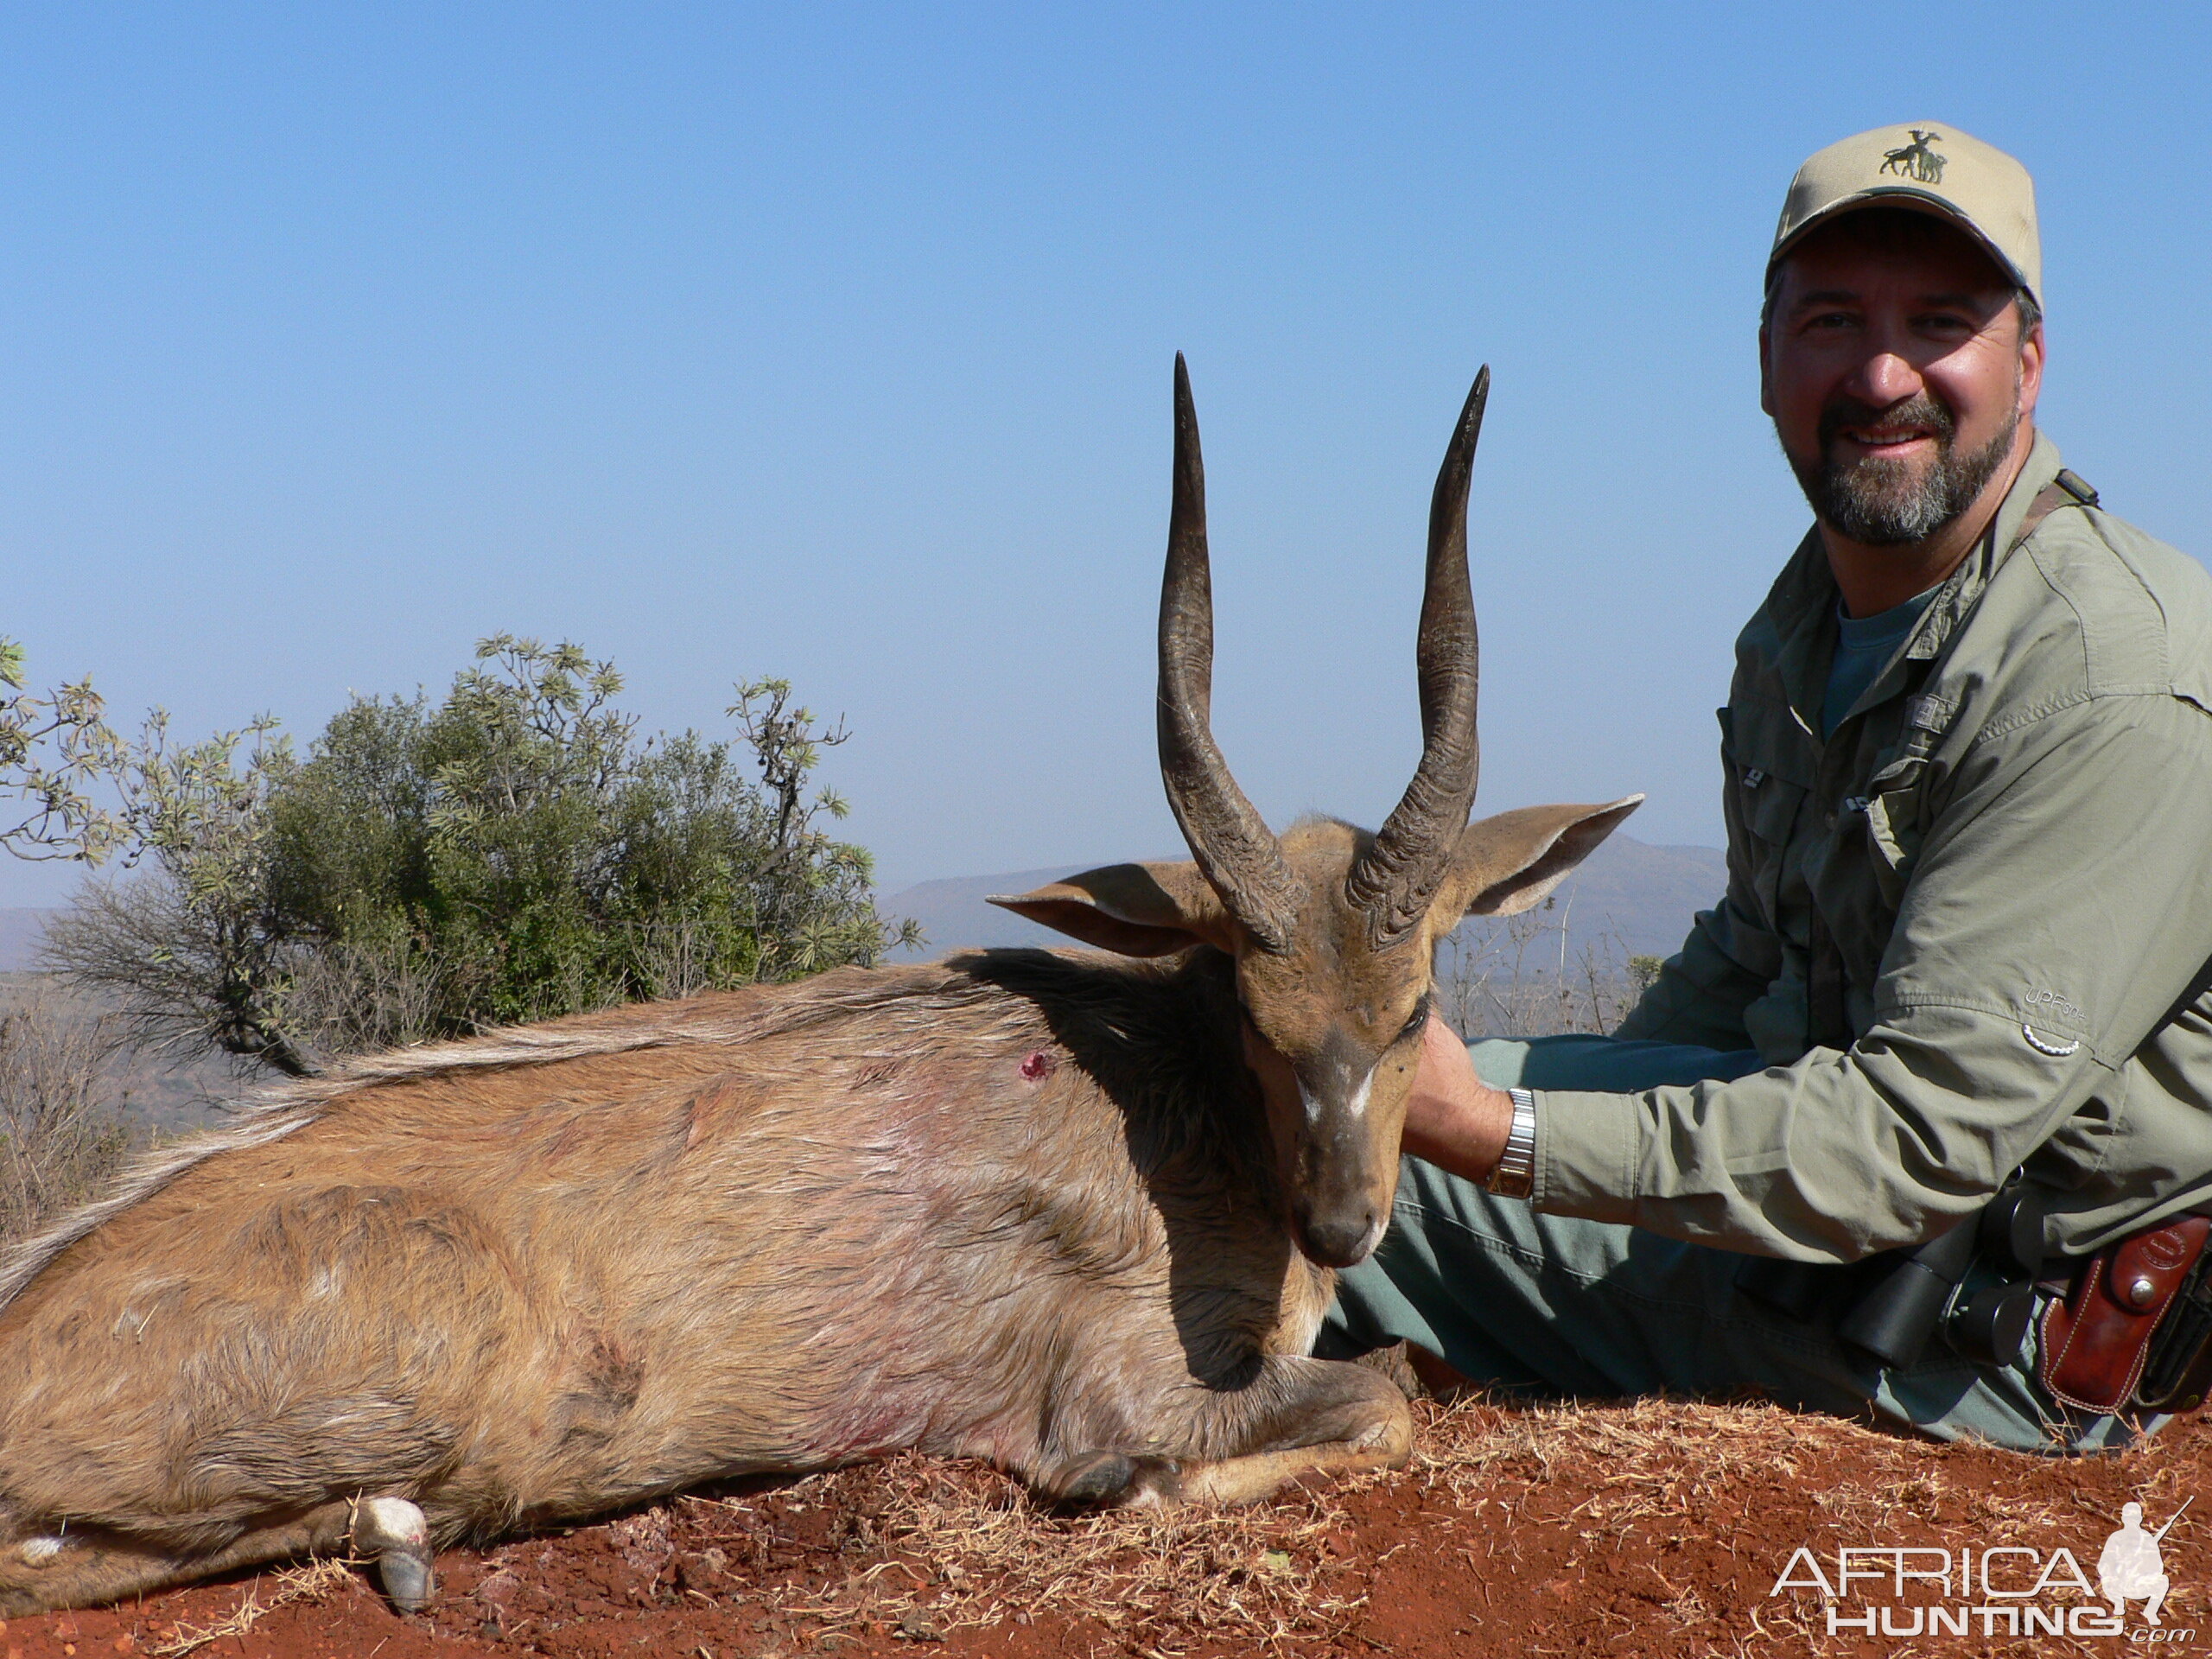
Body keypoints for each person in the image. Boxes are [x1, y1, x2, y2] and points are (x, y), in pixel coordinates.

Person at [1322, 123, 2212, 1453]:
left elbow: (1918, 1135)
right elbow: (1757, 953)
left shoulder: (2110, 676)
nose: (1882, 371)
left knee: (1347, 1170)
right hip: (1849, 1229)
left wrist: (1500, 1134)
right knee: (1338, 1107)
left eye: (1942, 321)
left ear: (2029, 364)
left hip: (1995, 1337)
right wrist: (1497, 1093)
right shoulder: (1812, 614)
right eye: (1833, 320)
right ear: (1763, 362)